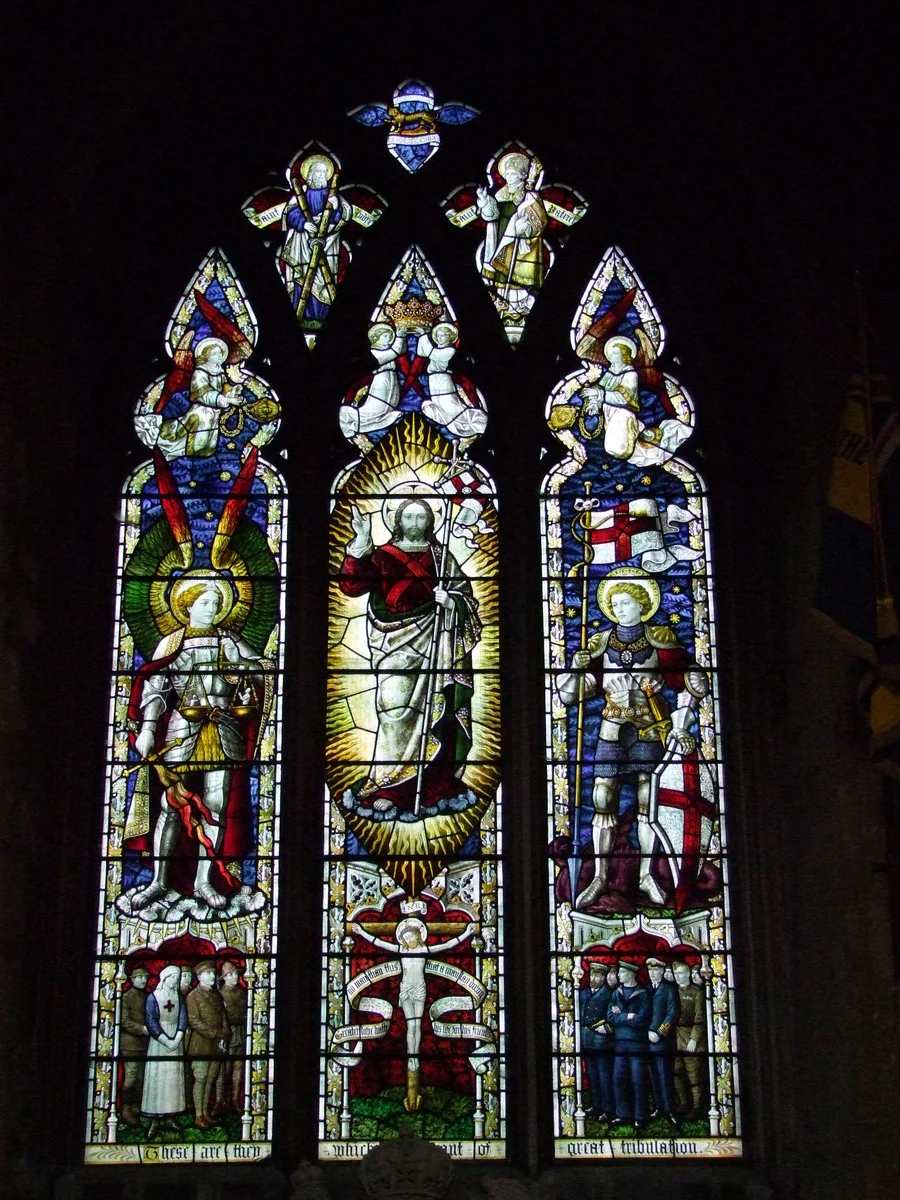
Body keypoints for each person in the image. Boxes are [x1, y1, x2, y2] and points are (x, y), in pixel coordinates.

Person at [557, 567, 708, 908]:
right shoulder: (600, 645)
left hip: (648, 728)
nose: (619, 609)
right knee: (602, 799)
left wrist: (682, 719)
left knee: (647, 801)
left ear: (642, 605)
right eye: (615, 604)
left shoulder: (660, 641)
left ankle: (645, 876)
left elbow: (691, 682)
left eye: (625, 603)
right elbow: (570, 696)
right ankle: (599, 877)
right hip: (612, 728)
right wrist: (577, 669)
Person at [128, 576, 271, 913]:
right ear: (187, 605)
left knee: (216, 804)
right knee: (171, 804)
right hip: (182, 727)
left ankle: (204, 881)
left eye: (217, 604)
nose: (213, 609)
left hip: (224, 727)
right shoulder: (171, 642)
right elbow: (156, 687)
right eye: (206, 603)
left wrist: (241, 664)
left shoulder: (228, 640)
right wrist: (149, 729)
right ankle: (159, 881)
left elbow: (265, 670)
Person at [338, 497, 481, 815]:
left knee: (442, 712)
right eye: (409, 517)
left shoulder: (441, 557)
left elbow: (466, 599)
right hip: (395, 645)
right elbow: (351, 586)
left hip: (438, 644)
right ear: (397, 521)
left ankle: (435, 785)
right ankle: (387, 783)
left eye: (421, 517)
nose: (415, 523)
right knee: (394, 709)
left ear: (430, 522)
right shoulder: (382, 557)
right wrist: (360, 544)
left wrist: (451, 602)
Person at [351, 915, 474, 1112]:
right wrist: (361, 932)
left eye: (412, 936)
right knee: (410, 1025)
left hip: (419, 990)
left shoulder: (424, 950)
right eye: (406, 937)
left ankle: (415, 1055)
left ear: (419, 937)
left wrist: (467, 933)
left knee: (417, 1024)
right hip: (406, 989)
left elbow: (447, 945)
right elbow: (380, 943)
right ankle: (412, 1055)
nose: (409, 940)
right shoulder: (400, 950)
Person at [280, 154, 351, 326]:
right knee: (302, 276)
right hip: (303, 243)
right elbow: (290, 213)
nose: (320, 176)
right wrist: (304, 224)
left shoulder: (332, 196)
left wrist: (336, 208)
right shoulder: (301, 194)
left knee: (324, 280)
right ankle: (302, 314)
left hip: (327, 243)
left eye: (323, 173)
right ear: (309, 174)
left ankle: (321, 316)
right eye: (317, 172)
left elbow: (343, 215)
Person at [475, 151, 547, 319]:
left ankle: (521, 304)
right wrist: (485, 201)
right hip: (501, 238)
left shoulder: (530, 196)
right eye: (507, 173)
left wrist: (527, 228)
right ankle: (502, 301)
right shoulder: (500, 195)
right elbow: (491, 216)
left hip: (523, 243)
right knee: (501, 271)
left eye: (513, 174)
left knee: (520, 273)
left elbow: (540, 220)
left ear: (522, 176)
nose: (509, 177)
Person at [154, 337, 244, 461]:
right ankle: (193, 454)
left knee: (211, 434)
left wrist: (233, 391)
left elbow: (225, 388)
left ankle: (205, 455)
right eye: (214, 353)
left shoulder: (220, 371)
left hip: (215, 410)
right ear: (207, 356)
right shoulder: (200, 372)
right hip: (201, 410)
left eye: (220, 353)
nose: (219, 356)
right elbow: (203, 393)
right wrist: (226, 400)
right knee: (202, 426)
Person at [417, 323, 487, 439]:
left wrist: (424, 334)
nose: (439, 338)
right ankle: (461, 423)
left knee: (450, 405)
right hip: (433, 380)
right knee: (440, 405)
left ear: (449, 337)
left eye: (443, 336)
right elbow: (422, 352)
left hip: (444, 380)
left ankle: (470, 423)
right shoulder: (437, 349)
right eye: (438, 336)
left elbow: (431, 353)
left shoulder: (450, 350)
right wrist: (421, 335)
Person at [141, 964, 187, 1137]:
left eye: (177, 977)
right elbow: (151, 1021)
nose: (176, 980)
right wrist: (166, 1041)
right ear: (165, 978)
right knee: (158, 1079)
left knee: (173, 1080)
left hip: (176, 1039)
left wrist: (177, 1037)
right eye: (173, 977)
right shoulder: (153, 997)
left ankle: (171, 1117)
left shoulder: (178, 996)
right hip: (159, 1041)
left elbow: (183, 1016)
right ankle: (155, 1120)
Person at [340, 323, 407, 438]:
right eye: (385, 336)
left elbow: (401, 351)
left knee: (390, 405)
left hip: (391, 380)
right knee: (377, 408)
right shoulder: (374, 352)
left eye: (390, 336)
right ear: (376, 337)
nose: (389, 339)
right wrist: (399, 337)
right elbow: (394, 353)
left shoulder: (386, 349)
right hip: (381, 381)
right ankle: (350, 418)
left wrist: (404, 337)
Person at [607, 960, 651, 1131]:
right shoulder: (616, 993)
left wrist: (624, 1017)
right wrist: (629, 1016)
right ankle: (622, 1114)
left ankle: (640, 1116)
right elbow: (610, 1016)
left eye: (622, 973)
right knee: (618, 1079)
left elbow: (643, 1019)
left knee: (637, 1080)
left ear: (631, 974)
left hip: (638, 1044)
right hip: (620, 1043)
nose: (618, 975)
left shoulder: (643, 994)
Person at [186, 960, 230, 1130]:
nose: (212, 976)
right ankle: (198, 1115)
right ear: (199, 977)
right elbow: (194, 1021)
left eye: (213, 973)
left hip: (217, 1045)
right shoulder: (192, 996)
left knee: (210, 1079)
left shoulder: (217, 995)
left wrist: (225, 1032)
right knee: (201, 1078)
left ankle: (205, 1113)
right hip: (201, 1045)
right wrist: (214, 1033)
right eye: (208, 974)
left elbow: (224, 1017)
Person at [579, 961, 616, 1121]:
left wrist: (608, 1028)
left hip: (602, 1041)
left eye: (598, 975)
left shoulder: (610, 994)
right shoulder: (583, 993)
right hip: (587, 1040)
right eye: (592, 974)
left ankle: (608, 1109)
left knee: (604, 1075)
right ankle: (596, 1105)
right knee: (592, 1074)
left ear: (603, 978)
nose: (594, 978)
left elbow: (615, 1015)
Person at [646, 956, 680, 1126]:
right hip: (647, 1041)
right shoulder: (645, 989)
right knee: (654, 1076)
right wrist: (646, 1032)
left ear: (661, 971)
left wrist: (659, 1033)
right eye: (650, 970)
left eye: (655, 970)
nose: (652, 973)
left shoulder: (669, 989)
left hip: (663, 1041)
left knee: (666, 1076)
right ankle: (659, 1107)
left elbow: (673, 1013)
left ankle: (671, 1110)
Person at [672, 958, 707, 1118]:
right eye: (676, 974)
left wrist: (694, 1039)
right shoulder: (673, 992)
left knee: (693, 1074)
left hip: (691, 1039)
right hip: (676, 1038)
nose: (678, 976)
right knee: (677, 1072)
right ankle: (683, 1103)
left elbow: (700, 1017)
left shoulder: (696, 992)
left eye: (680, 973)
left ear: (687, 974)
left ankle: (697, 1106)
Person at [119, 963, 150, 1128]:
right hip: (130, 1044)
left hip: (144, 1044)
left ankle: (136, 1106)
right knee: (131, 1077)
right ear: (132, 980)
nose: (143, 980)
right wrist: (142, 1029)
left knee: (141, 1078)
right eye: (139, 977)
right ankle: (126, 1109)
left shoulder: (146, 996)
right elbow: (124, 1021)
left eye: (145, 977)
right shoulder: (126, 997)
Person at [215, 960, 247, 1114]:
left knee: (238, 1068)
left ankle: (234, 1100)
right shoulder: (219, 994)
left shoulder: (242, 993)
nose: (234, 977)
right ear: (224, 978)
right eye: (230, 975)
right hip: (226, 1034)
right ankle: (219, 1101)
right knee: (223, 1069)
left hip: (241, 1033)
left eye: (235, 974)